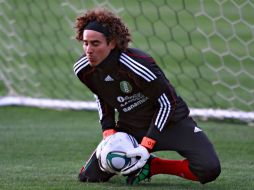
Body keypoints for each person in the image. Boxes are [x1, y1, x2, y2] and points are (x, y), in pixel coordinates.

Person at [73, 7, 221, 185]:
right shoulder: (83, 69)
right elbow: (102, 96)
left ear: (112, 43)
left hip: (172, 122)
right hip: (132, 127)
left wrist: (147, 145)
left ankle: (154, 166)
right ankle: (141, 163)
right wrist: (109, 131)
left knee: (209, 169)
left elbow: (167, 102)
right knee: (89, 177)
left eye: (95, 44)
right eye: (85, 43)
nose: (88, 50)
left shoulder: (138, 65)